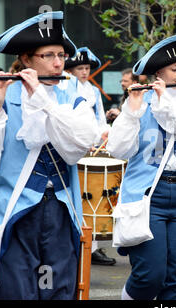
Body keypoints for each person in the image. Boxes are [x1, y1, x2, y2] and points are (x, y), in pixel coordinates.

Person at [0, 11, 99, 300]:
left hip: (59, 214)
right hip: (17, 214)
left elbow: (80, 143)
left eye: (62, 55)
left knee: (55, 291)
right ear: (27, 61)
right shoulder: (3, 98)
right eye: (48, 56)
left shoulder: (73, 98)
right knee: (16, 292)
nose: (58, 63)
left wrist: (43, 100)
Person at [106, 34, 176, 300]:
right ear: (158, 73)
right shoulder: (140, 103)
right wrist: (131, 113)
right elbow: (118, 149)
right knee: (150, 275)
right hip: (148, 197)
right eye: (174, 69)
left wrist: (170, 108)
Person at [64, 47, 115, 266]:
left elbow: (99, 118)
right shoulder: (66, 86)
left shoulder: (93, 91)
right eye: (80, 68)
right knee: (80, 198)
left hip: (93, 145)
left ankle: (94, 246)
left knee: (94, 196)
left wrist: (103, 136)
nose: (84, 72)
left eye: (86, 68)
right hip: (76, 145)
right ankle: (78, 242)